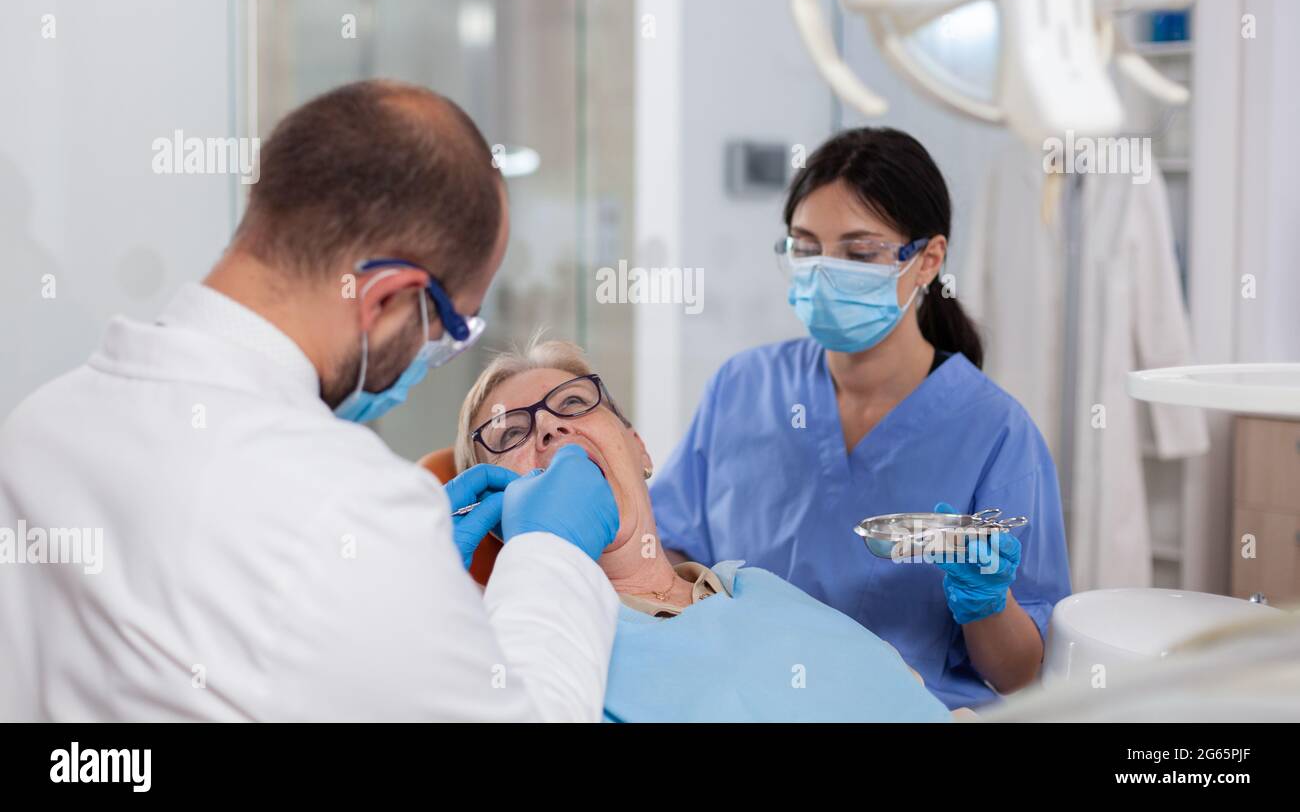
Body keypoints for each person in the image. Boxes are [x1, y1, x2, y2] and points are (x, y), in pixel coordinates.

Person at [0, 80, 620, 721]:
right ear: (385, 301)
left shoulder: (38, 427)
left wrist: (414, 594)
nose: (434, 360)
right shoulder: (347, 507)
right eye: (450, 332)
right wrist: (553, 555)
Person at [650, 127, 1072, 710]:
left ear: (927, 260)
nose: (825, 272)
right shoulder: (742, 389)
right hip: (744, 702)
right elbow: (666, 548)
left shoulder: (995, 433)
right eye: (805, 246)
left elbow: (1020, 676)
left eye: (858, 252)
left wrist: (988, 602)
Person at [453, 338, 955, 722]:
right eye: (511, 433)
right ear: (499, 517)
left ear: (639, 448)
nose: (549, 428)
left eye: (573, 403)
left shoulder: (759, 590)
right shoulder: (529, 657)